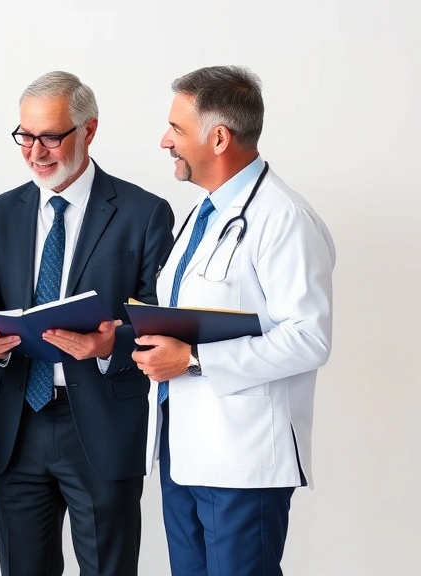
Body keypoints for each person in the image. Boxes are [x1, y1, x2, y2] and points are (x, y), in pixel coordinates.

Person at [132, 65, 335, 576]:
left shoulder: (283, 217)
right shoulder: (205, 215)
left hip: (243, 460)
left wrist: (195, 358)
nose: (164, 141)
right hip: (183, 450)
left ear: (218, 138)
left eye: (175, 129)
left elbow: (309, 338)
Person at [0, 71, 175, 575]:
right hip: (18, 423)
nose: (36, 151)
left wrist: (111, 345)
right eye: (25, 135)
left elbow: (162, 321)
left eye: (51, 137)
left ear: (90, 130)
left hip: (102, 425)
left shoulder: (143, 213)